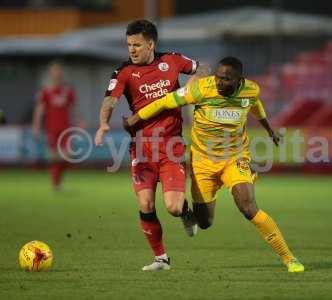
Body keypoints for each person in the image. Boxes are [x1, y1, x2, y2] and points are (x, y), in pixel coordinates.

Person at [124, 57, 305, 273]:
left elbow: (254, 104)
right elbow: (165, 101)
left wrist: (269, 129)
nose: (220, 83)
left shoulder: (250, 90)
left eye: (226, 80)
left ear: (239, 81)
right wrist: (136, 119)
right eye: (218, 78)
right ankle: (191, 212)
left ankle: (289, 258)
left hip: (235, 158)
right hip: (203, 163)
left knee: (248, 207)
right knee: (205, 222)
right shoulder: (200, 89)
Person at [94, 20, 204, 271]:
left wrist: (194, 81)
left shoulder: (173, 60)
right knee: (145, 204)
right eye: (129, 45)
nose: (131, 50)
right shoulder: (123, 72)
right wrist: (103, 124)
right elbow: (110, 101)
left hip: (171, 147)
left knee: (173, 207)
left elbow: (202, 67)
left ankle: (186, 212)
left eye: (137, 45)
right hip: (142, 149)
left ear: (151, 44)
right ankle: (161, 258)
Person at [32, 61, 78, 191]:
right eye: (54, 71)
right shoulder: (46, 91)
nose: (57, 73)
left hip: (66, 127)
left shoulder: (68, 90)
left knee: (67, 155)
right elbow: (40, 109)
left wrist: (79, 120)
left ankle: (57, 181)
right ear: (50, 73)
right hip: (51, 127)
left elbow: (73, 107)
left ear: (61, 73)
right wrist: (36, 125)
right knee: (53, 156)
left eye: (59, 71)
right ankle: (55, 184)